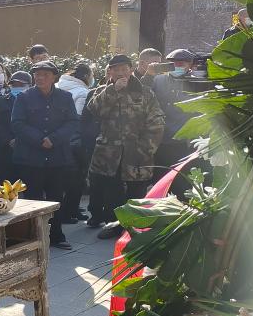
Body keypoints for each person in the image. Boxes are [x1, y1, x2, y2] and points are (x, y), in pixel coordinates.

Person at [84, 54, 166, 239]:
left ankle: (135, 226)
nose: (121, 73)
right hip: (109, 154)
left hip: (137, 152)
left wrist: (146, 148)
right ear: (110, 72)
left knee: (136, 191)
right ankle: (114, 226)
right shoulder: (103, 91)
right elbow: (94, 110)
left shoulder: (145, 92)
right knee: (112, 192)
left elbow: (157, 122)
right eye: (116, 69)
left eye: (124, 69)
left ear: (131, 70)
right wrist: (113, 91)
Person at [10, 60, 78, 249]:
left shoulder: (65, 97)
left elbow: (73, 122)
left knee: (56, 197)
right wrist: (39, 139)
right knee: (33, 198)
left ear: (54, 77)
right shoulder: (24, 97)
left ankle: (56, 235)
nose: (40, 78)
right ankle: (35, 236)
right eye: (37, 74)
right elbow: (17, 123)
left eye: (45, 75)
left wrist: (54, 139)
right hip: (31, 157)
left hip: (58, 157)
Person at [57, 63, 93, 222]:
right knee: (77, 178)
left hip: (57, 139)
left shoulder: (58, 85)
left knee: (62, 180)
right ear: (86, 76)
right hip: (75, 141)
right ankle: (68, 212)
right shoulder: (83, 92)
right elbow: (79, 119)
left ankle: (71, 210)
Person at [152, 48, 196, 169]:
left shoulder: (196, 81)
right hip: (161, 137)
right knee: (160, 173)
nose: (177, 66)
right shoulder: (158, 80)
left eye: (181, 64)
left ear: (190, 64)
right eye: (174, 63)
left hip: (183, 139)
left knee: (180, 174)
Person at [0, 70, 30, 184]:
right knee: (6, 189)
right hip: (6, 153)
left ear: (30, 85)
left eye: (21, 85)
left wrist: (25, 139)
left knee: (30, 190)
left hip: (30, 154)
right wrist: (9, 140)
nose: (17, 88)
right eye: (14, 85)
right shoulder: (1, 101)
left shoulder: (36, 102)